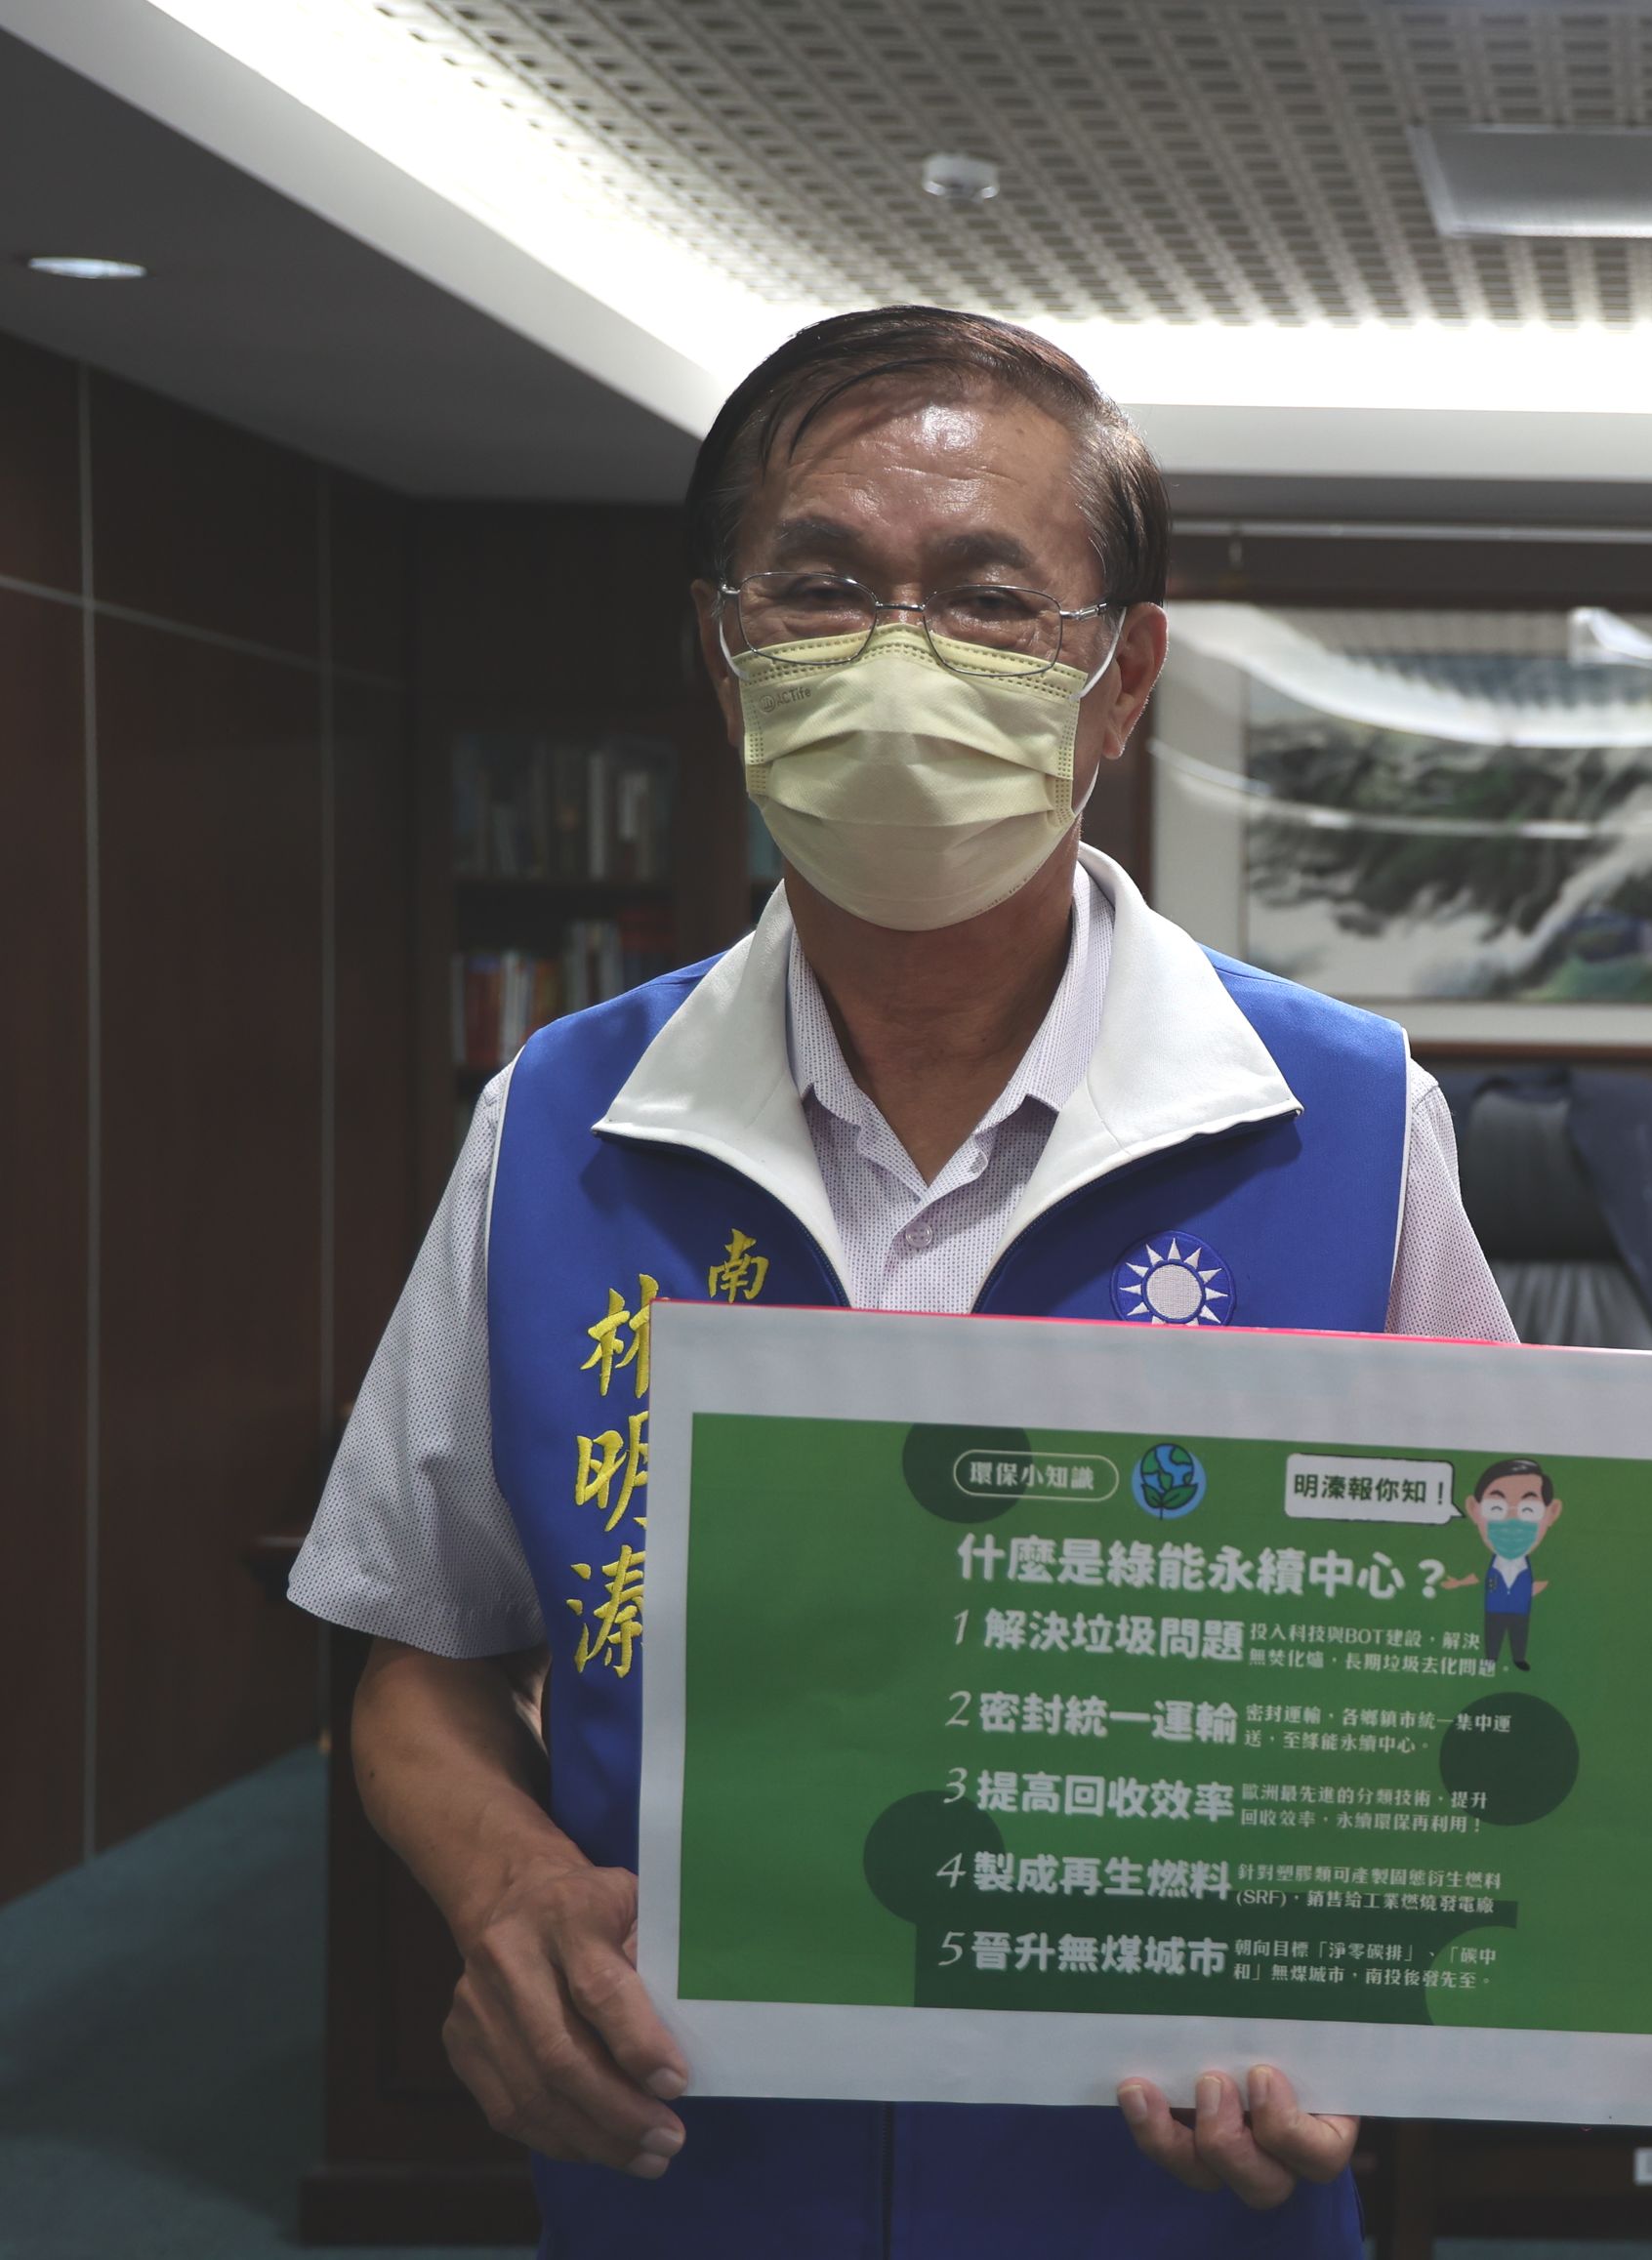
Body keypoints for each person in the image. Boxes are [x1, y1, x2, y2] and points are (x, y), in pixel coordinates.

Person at [289, 307, 1516, 2255]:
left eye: (986, 597)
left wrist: (1363, 1985)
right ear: (723, 645)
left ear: (1119, 681)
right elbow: (420, 1649)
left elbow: (1489, 1642)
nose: (894, 654)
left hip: (1169, 2188)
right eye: (821, 586)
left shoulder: (1343, 1118)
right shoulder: (569, 1113)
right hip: (690, 2172)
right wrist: (509, 1885)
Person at [1438, 1457, 1564, 1667]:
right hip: (1494, 1608)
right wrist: (1458, 1584)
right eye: (1496, 1509)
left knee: (1519, 1633)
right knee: (1493, 1633)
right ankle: (1490, 1659)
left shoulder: (1538, 1567)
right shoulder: (1485, 1563)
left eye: (1528, 1510)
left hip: (1520, 1609)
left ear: (1551, 1512)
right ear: (1474, 1509)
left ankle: (1518, 1658)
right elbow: (1475, 1578)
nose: (1511, 1521)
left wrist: (1535, 1588)